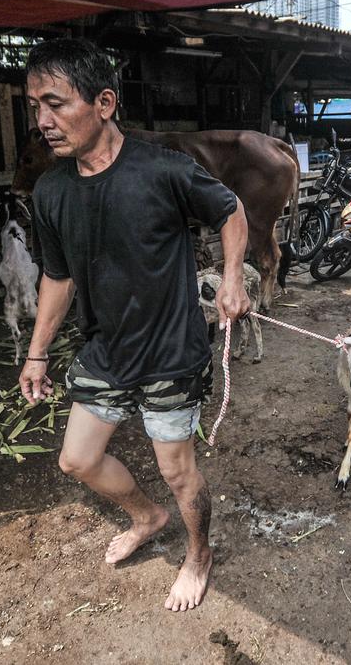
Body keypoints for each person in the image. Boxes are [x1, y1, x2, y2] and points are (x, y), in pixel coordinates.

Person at [18, 38, 250, 612]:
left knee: (178, 469)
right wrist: (37, 352)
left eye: (55, 103)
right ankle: (147, 517)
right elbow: (57, 277)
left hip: (171, 351)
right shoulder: (50, 191)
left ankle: (199, 555)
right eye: (34, 107)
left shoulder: (163, 168)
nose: (43, 121)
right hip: (104, 353)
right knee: (77, 460)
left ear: (104, 103)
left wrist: (233, 276)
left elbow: (231, 210)